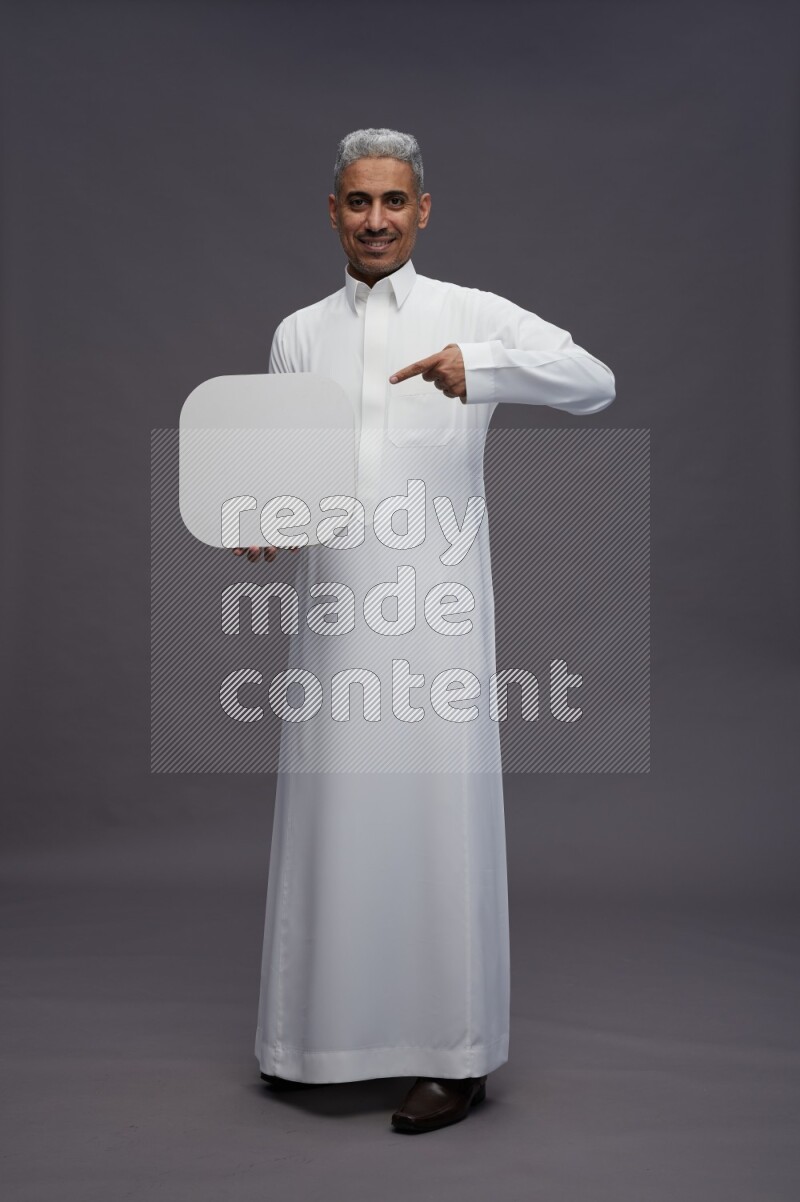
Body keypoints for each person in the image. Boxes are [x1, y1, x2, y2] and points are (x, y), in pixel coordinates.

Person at [244, 128, 615, 1134]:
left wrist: (482, 368)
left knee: (436, 823)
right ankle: (312, 1038)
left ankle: (453, 1057)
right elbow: (283, 477)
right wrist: (263, 520)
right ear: (331, 212)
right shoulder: (296, 333)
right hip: (332, 621)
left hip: (438, 619)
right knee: (335, 816)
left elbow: (594, 380)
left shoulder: (469, 313)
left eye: (392, 202)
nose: (375, 220)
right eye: (357, 202)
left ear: (422, 210)